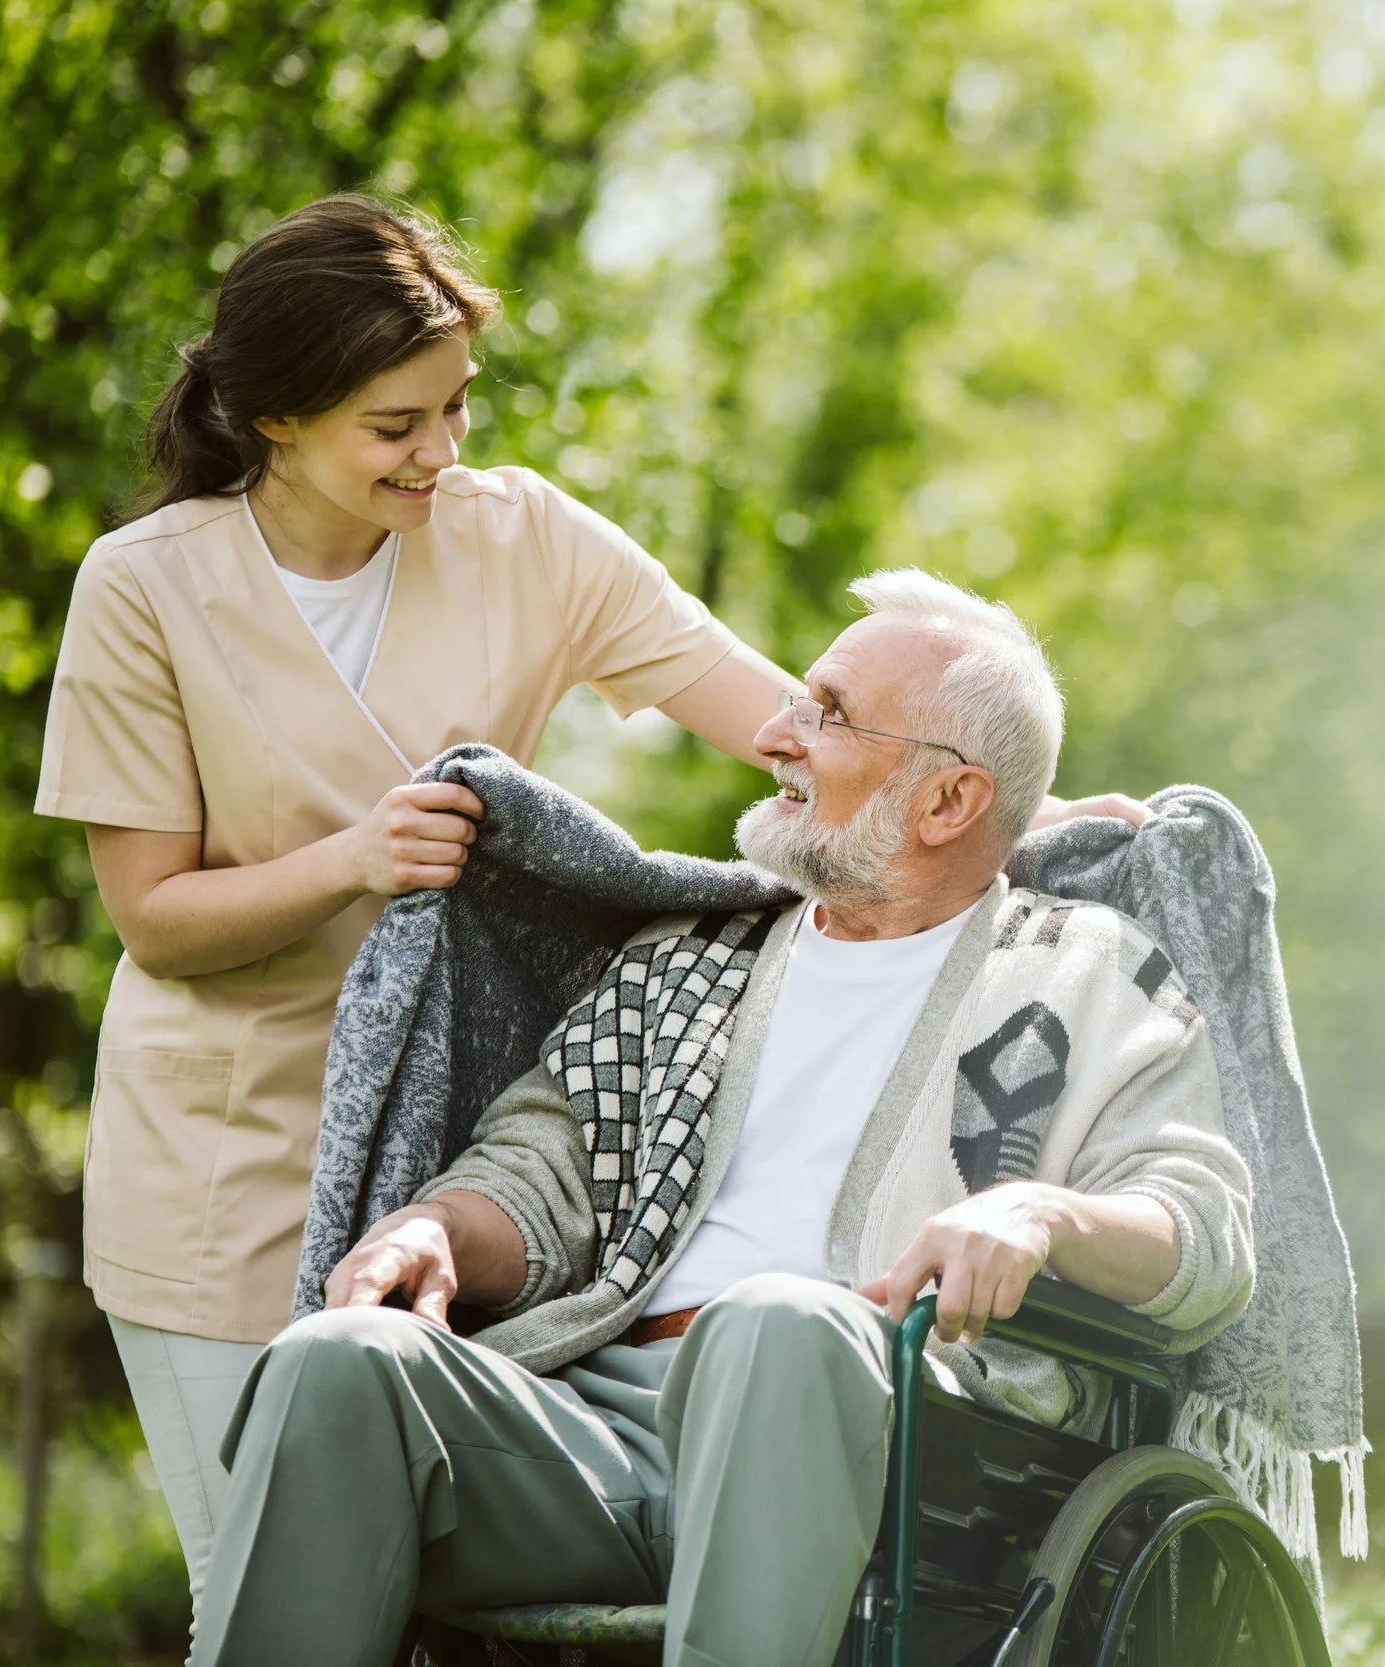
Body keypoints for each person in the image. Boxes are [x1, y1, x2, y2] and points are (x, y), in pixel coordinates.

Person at [30, 196, 1139, 1623]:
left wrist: (1019, 805)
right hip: (226, 1147)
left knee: (425, 1590)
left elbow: (788, 721)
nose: (441, 453)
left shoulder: (524, 539)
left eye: (455, 410)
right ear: (274, 421)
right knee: (251, 1578)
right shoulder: (144, 588)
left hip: (465, 1140)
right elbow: (156, 917)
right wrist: (355, 859)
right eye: (394, 426)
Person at [186, 570, 1254, 1667]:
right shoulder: (688, 961)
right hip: (600, 1431)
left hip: (905, 1440)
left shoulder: (1087, 974)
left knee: (779, 1319)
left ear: (948, 801)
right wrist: (438, 1227)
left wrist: (1043, 1214)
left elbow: (1205, 1229)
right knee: (342, 1357)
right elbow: (536, 1168)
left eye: (826, 713)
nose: (776, 732)